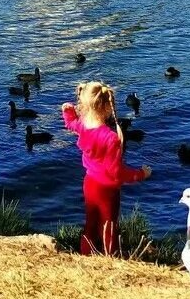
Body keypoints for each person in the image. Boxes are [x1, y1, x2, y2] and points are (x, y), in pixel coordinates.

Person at [62, 81, 151, 255]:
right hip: (107, 190)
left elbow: (71, 124)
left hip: (90, 184)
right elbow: (116, 173)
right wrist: (141, 174)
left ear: (85, 105)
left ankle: (85, 254)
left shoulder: (83, 126)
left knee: (91, 223)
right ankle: (110, 257)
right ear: (107, 107)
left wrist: (68, 112)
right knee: (109, 225)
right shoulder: (110, 138)